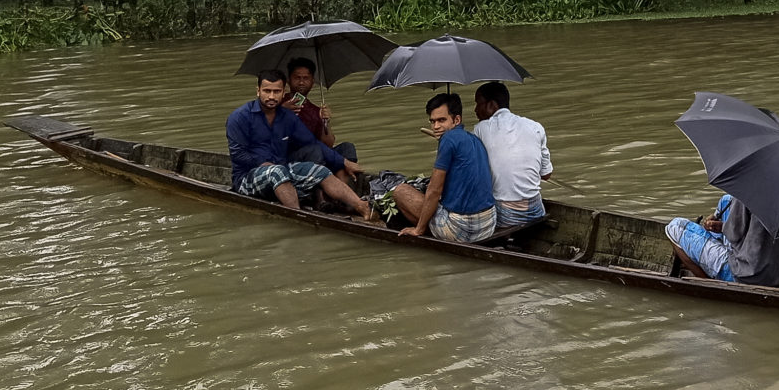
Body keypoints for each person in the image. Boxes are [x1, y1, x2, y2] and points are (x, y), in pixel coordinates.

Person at [225, 70, 372, 218]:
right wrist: (262, 164)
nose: (271, 96)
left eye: (276, 92)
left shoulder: (287, 117)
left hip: (282, 169)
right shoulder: (239, 117)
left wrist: (343, 161)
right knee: (276, 172)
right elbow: (238, 154)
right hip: (247, 178)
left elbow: (312, 142)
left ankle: (362, 207)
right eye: (266, 91)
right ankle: (299, 216)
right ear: (258, 91)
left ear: (283, 93)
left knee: (318, 170)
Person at [391, 93, 498, 243]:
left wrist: (418, 229)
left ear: (457, 120)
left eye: (442, 120)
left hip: (463, 230)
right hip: (489, 224)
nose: (436, 126)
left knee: (400, 191)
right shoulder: (474, 139)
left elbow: (434, 191)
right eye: (432, 121)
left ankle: (426, 230)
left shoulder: (448, 139)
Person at [666, 193, 779, 287]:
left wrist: (720, 227)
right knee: (726, 199)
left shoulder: (751, 187)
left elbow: (734, 234)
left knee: (674, 227)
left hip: (747, 275)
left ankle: (710, 286)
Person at [471, 81, 553, 228]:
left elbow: (474, 176)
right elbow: (546, 175)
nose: (475, 110)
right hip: (536, 210)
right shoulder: (535, 126)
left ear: (491, 105)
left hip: (506, 215)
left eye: (478, 103)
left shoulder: (480, 129)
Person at [286, 57, 362, 186]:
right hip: (292, 158)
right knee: (314, 150)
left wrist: (325, 122)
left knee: (347, 147)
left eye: (306, 78)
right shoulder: (281, 104)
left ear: (312, 81)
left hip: (318, 155)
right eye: (297, 78)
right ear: (289, 80)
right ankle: (322, 195)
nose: (301, 82)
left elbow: (328, 144)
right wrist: (283, 112)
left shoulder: (316, 110)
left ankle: (342, 191)